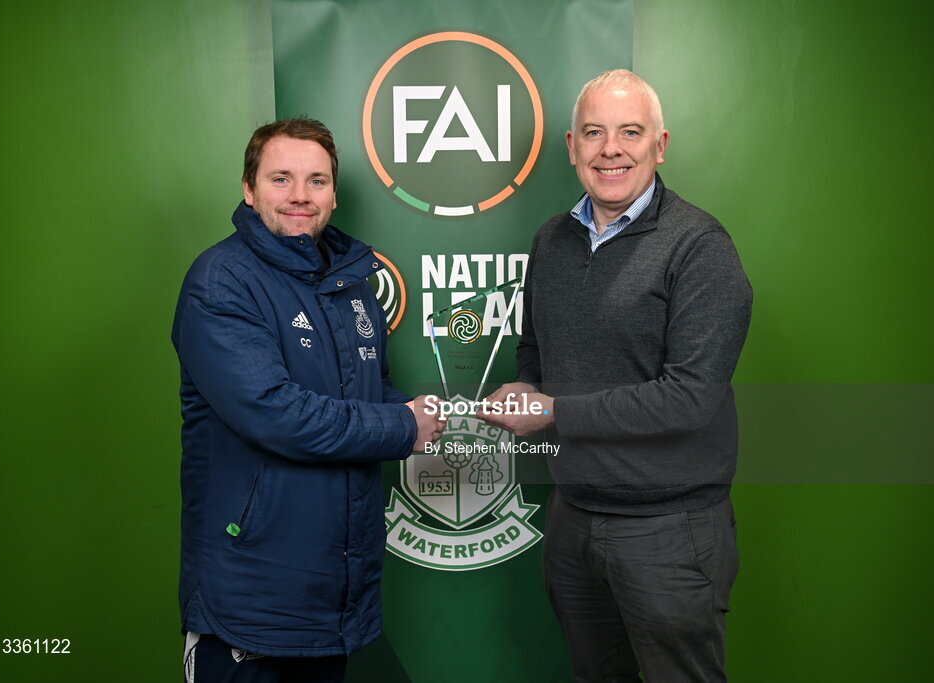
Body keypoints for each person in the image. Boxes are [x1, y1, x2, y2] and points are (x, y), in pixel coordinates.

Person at [480, 70, 752, 682]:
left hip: (670, 532)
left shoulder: (699, 247)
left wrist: (553, 411)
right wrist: (528, 387)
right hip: (574, 519)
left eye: (630, 132)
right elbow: (535, 353)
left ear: (660, 145)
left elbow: (689, 399)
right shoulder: (550, 241)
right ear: (571, 147)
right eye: (594, 132)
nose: (611, 149)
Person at [171, 118, 444, 682]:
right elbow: (274, 411)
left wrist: (421, 411)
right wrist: (401, 427)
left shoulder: (352, 282)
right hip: (248, 597)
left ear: (334, 193)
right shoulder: (220, 280)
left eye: (316, 180)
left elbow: (362, 391)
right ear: (249, 189)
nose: (300, 195)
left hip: (332, 594)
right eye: (281, 178)